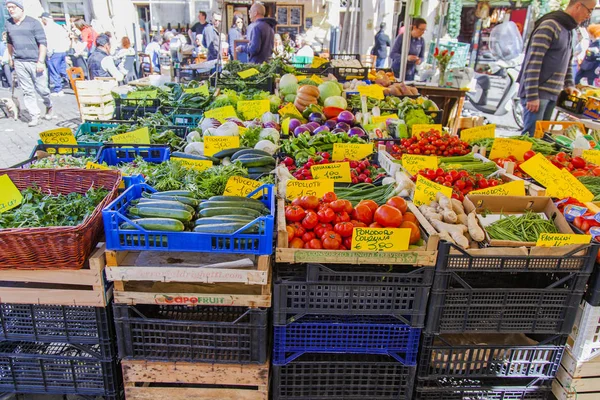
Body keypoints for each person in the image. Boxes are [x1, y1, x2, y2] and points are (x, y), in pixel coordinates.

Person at [518, 0, 597, 136]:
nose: (588, 16)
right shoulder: (550, 25)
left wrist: (569, 84)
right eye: (589, 10)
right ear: (578, 5)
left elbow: (567, 60)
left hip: (553, 93)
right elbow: (533, 61)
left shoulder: (569, 30)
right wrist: (532, 95)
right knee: (530, 136)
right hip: (538, 93)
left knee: (541, 136)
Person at [5, 0, 52, 126]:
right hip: (20, 61)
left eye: (13, 7)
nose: (10, 10)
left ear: (21, 8)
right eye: (8, 8)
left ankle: (48, 104)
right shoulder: (9, 23)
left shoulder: (34, 23)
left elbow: (43, 43)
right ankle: (34, 115)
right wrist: (10, 57)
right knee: (27, 90)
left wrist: (41, 61)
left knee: (42, 89)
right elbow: (9, 42)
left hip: (35, 60)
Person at [40, 12, 69, 96]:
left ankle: (58, 89)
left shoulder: (47, 28)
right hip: (62, 51)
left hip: (54, 52)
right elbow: (65, 39)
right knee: (63, 70)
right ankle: (72, 83)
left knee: (54, 71)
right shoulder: (59, 27)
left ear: (44, 19)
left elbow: (49, 42)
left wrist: (49, 53)